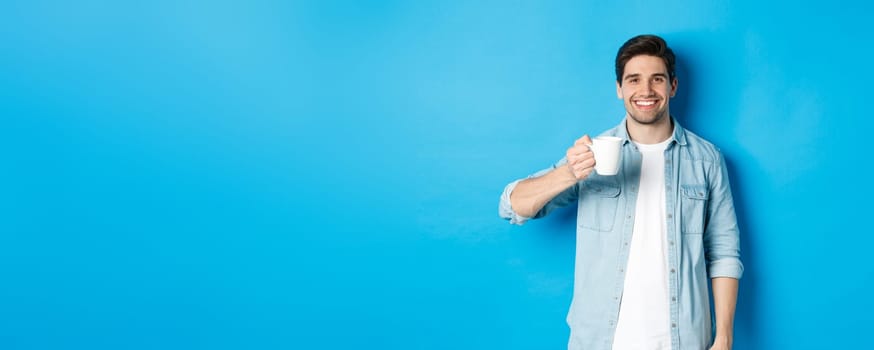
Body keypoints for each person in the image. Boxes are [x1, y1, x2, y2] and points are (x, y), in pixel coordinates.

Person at [498, 34, 742, 350]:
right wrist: (568, 173)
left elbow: (724, 253)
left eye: (657, 79)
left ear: (673, 86)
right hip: (601, 341)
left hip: (684, 340)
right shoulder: (592, 154)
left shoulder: (707, 159)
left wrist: (723, 338)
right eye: (633, 80)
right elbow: (512, 204)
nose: (645, 91)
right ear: (619, 89)